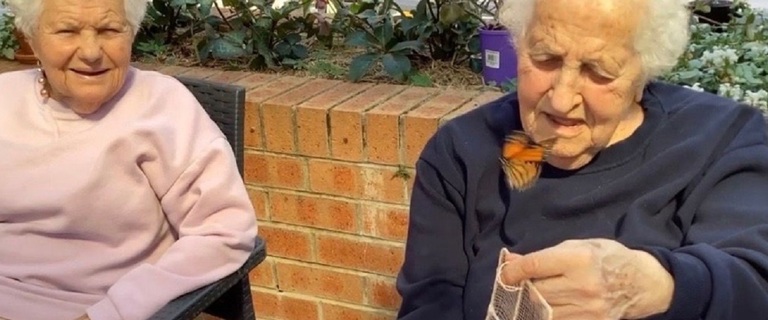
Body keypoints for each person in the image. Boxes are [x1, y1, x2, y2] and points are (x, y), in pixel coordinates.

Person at [395, 0, 768, 319]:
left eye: (598, 71)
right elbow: (430, 303)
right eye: (545, 58)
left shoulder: (720, 140)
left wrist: (660, 285)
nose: (561, 98)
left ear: (645, 71)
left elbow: (754, 285)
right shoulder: (463, 152)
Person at [0, 0, 258, 319]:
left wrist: (115, 311)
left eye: (109, 29)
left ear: (131, 35)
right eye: (68, 31)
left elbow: (224, 231)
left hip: (96, 307)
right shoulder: (4, 99)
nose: (91, 52)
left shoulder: (162, 106)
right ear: (33, 38)